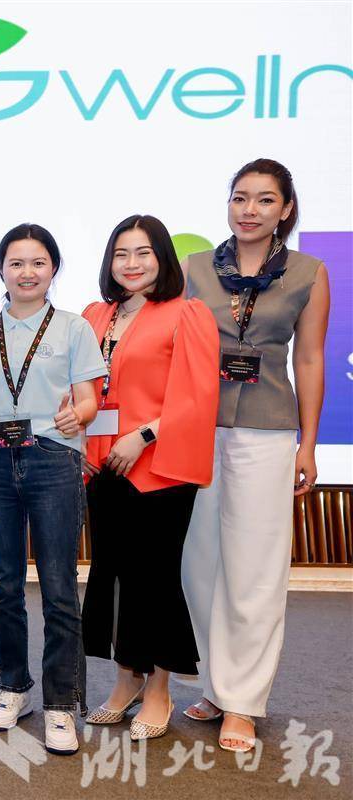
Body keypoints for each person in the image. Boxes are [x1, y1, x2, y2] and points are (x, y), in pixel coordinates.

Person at [180, 158, 330, 753]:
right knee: (200, 564)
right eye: (240, 197)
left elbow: (310, 359)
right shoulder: (194, 269)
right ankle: (215, 685)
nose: (249, 210)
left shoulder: (308, 273)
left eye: (265, 200)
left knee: (255, 568)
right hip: (196, 429)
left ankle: (243, 700)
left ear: (285, 209)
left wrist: (308, 443)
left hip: (267, 431)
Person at [0, 224, 107, 755]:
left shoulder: (73, 328)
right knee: (5, 586)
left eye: (38, 262)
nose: (27, 272)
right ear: (1, 270)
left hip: (53, 461)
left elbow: (90, 399)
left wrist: (77, 415)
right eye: (16, 263)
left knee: (60, 589)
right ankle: (12, 687)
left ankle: (62, 703)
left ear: (53, 269)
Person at [78, 215, 220, 741]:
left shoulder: (187, 313)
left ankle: (159, 688)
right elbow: (81, 387)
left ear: (163, 258)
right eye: (121, 253)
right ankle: (126, 680)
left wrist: (143, 435)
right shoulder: (95, 314)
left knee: (155, 578)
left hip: (158, 467)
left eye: (143, 253)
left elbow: (198, 394)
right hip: (102, 467)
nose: (131, 263)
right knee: (113, 575)